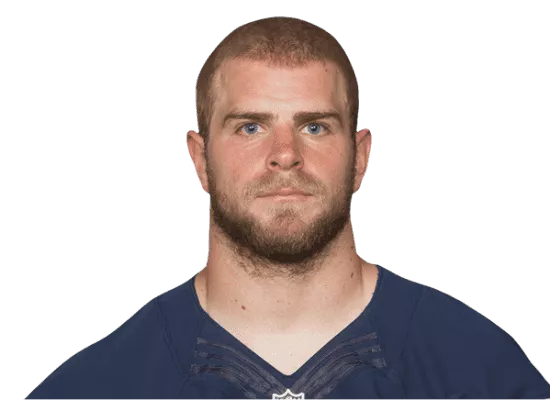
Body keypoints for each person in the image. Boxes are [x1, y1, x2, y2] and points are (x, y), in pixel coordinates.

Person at [25, 16, 550, 400]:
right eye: (250, 127)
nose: (284, 154)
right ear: (200, 159)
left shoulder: (482, 374)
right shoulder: (97, 387)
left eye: (315, 126)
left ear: (361, 157)